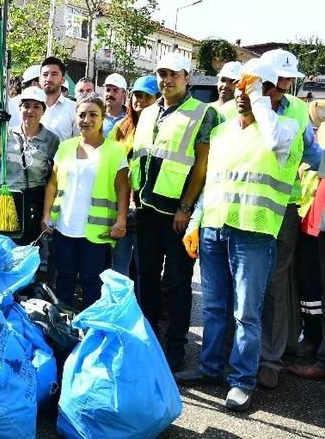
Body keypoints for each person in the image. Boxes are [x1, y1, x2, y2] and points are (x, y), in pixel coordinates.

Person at [174, 60, 300, 411]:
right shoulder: (223, 131)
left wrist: (259, 95)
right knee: (214, 307)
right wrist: (197, 220)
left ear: (274, 93)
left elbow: (275, 138)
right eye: (241, 88)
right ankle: (211, 367)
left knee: (246, 312)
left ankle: (242, 379)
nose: (243, 94)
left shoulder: (286, 128)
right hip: (216, 227)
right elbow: (213, 182)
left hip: (254, 233)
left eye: (255, 88)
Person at [130, 52, 220, 372]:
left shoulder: (202, 113)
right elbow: (139, 159)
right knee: (147, 278)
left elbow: (201, 165)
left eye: (173, 74)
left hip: (176, 212)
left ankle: (175, 348)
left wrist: (185, 206)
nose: (166, 80)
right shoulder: (149, 111)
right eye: (161, 73)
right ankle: (148, 338)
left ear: (187, 78)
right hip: (146, 209)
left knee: (179, 282)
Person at [255, 49, 324, 388]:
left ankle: (269, 358)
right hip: (243, 210)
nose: (283, 83)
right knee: (241, 284)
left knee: (274, 283)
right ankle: (237, 352)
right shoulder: (242, 105)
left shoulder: (296, 110)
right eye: (278, 78)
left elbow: (312, 154)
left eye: (288, 79)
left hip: (282, 210)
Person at [42, 96, 129, 309]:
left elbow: (123, 188)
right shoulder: (65, 147)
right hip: (64, 227)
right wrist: (46, 215)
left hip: (96, 232)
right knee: (64, 278)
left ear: (102, 118)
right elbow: (52, 183)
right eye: (82, 115)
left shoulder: (115, 150)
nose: (86, 119)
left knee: (92, 282)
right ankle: (63, 328)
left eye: (93, 115)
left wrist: (121, 220)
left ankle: (89, 331)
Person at [0, 86, 60, 245]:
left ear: (44, 111)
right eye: (26, 106)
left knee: (28, 248)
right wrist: (0, 130)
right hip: (5, 197)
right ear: (19, 108)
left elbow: (55, 176)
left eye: (36, 107)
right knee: (2, 246)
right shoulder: (6, 132)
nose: (30, 111)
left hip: (33, 201)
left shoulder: (52, 139)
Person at [107, 75, 158, 276]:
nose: (141, 101)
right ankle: (120, 307)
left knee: (143, 267)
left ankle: (141, 306)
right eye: (137, 95)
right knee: (119, 265)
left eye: (147, 96)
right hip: (123, 206)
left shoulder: (161, 129)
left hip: (149, 208)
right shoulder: (121, 129)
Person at [287, 150, 325, 381]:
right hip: (312, 219)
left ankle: (322, 360)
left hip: (320, 223)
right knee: (309, 286)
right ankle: (312, 339)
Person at [39, 56, 78, 140]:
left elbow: (79, 143)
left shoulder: (74, 109)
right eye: (45, 74)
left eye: (54, 74)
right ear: (39, 79)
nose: (48, 79)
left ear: (63, 80)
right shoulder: (28, 108)